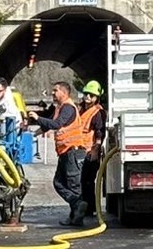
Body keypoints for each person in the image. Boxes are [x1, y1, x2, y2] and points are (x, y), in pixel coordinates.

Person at [31, 78, 104, 226]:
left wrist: (37, 118)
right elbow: (49, 124)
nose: (52, 93)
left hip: (75, 152)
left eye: (55, 90)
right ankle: (77, 209)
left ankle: (77, 215)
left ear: (63, 93)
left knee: (75, 185)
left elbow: (57, 124)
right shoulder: (63, 107)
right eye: (86, 94)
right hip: (66, 152)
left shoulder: (70, 108)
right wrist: (31, 133)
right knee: (59, 183)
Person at [74, 80, 108, 225]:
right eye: (86, 94)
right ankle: (87, 207)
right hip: (80, 150)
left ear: (96, 98)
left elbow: (100, 134)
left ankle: (90, 208)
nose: (88, 97)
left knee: (88, 181)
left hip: (90, 151)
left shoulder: (98, 113)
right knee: (82, 181)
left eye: (91, 95)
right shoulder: (81, 109)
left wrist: (96, 150)